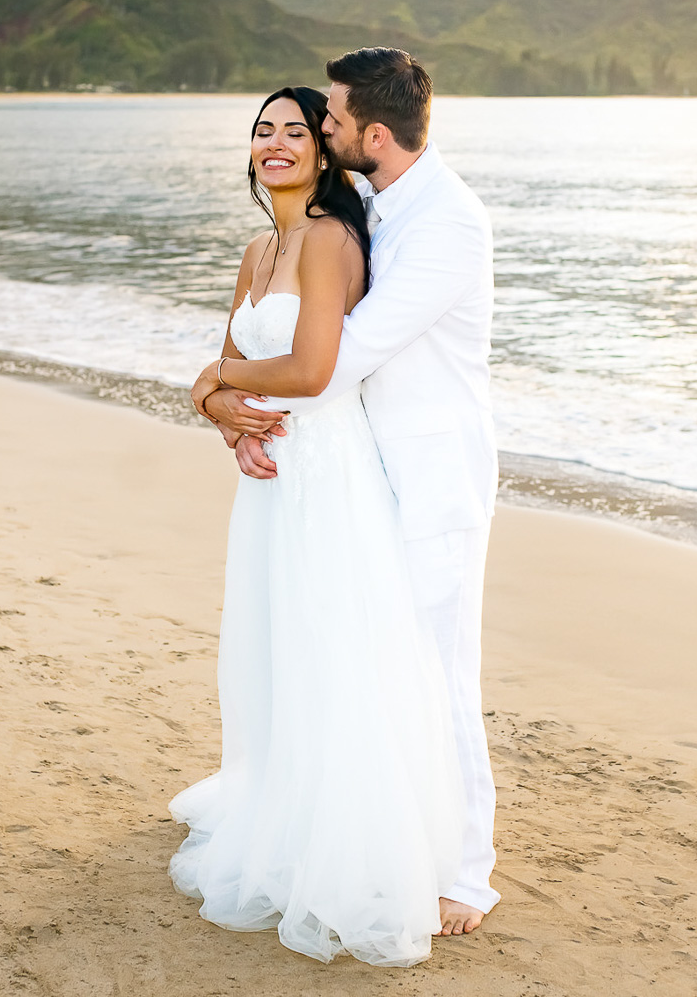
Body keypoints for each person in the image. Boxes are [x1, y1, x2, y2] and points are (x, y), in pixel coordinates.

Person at [194, 48, 501, 938]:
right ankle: (352, 824)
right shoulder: (373, 205)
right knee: (367, 651)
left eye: (325, 118)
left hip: (433, 471)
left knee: (437, 665)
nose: (314, 130)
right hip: (365, 464)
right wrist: (223, 406)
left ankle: (465, 874)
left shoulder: (445, 222)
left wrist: (211, 384)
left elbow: (338, 363)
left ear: (370, 133)